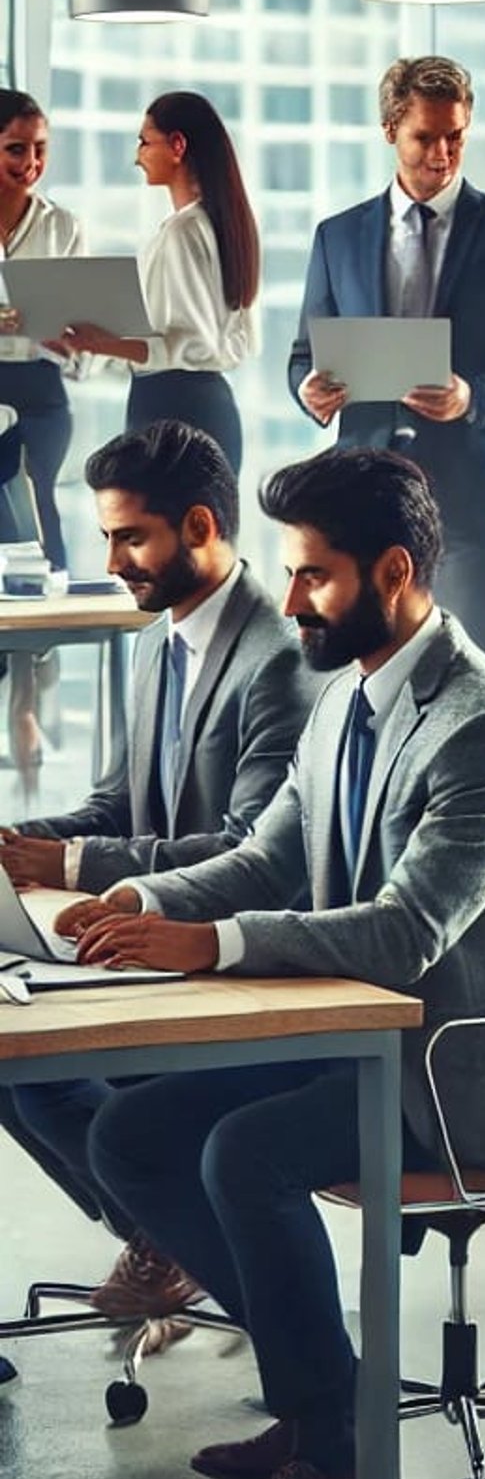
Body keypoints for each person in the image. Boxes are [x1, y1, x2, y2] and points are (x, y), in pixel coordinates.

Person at [63, 446, 485, 1479]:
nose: (292, 599)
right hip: (361, 1040)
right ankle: (326, 1406)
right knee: (132, 1133)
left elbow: (408, 933)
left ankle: (343, 1465)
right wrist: (129, 899)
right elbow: (270, 859)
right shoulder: (348, 697)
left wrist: (205, 945)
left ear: (393, 569)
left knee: (245, 1153)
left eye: (312, 576)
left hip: (458, 1071)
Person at [0, 422, 314, 1333]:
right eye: (106, 536)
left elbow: (248, 847)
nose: (113, 560)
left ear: (202, 526)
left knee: (46, 1074)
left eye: (130, 538)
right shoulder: (159, 640)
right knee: (17, 1065)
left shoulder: (278, 661)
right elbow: (118, 803)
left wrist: (64, 865)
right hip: (146, 939)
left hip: (231, 958)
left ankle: (176, 1240)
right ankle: (169, 1233)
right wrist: (23, 836)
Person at [290, 55, 485, 668]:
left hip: (471, 492)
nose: (442, 153)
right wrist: (308, 390)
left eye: (456, 137)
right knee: (366, 663)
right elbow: (303, 357)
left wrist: (474, 396)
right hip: (367, 491)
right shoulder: (336, 237)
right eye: (425, 137)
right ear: (391, 129)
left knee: (479, 665)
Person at [49, 92, 259, 473]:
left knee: (161, 531)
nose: (137, 156)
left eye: (145, 142)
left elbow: (190, 343)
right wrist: (91, 347)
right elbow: (222, 342)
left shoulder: (183, 231)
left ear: (177, 145)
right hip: (208, 408)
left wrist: (102, 342)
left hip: (172, 412)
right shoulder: (225, 225)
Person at [0, 87, 88, 782]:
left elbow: (79, 352)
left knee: (38, 518)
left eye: (40, 150)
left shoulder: (61, 226)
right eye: (16, 150)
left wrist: (63, 337)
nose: (31, 163)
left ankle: (32, 690)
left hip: (41, 392)